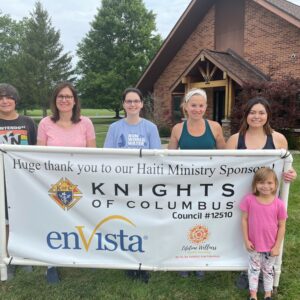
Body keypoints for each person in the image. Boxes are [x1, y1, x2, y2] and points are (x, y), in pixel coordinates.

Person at [37, 82, 96, 283]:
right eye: (60, 96)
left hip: (79, 180)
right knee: (53, 220)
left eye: (68, 96)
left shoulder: (86, 123)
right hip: (53, 181)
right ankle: (51, 263)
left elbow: (93, 155)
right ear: (55, 100)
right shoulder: (45, 123)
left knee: (79, 220)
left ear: (74, 100)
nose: (64, 100)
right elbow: (39, 155)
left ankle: (81, 254)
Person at [104, 87, 161, 283]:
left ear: (142, 104)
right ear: (123, 104)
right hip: (122, 185)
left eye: (136, 101)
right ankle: (129, 263)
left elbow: (156, 159)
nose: (132, 104)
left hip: (144, 186)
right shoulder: (114, 128)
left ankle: (143, 263)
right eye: (128, 101)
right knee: (125, 224)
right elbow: (108, 158)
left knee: (142, 225)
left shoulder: (150, 128)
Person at [168, 88, 226, 279]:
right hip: (185, 185)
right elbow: (168, 160)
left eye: (201, 105)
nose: (197, 109)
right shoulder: (178, 129)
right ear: (186, 107)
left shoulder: (215, 127)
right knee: (183, 221)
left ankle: (201, 260)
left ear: (206, 107)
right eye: (193, 105)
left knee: (204, 221)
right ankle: (182, 260)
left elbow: (225, 158)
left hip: (209, 185)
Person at [0, 83, 37, 279]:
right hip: (1, 181)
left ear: (15, 100)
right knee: (4, 219)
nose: (5, 101)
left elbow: (35, 151)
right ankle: (7, 257)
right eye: (1, 97)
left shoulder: (28, 122)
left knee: (22, 218)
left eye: (8, 97)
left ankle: (23, 254)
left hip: (23, 179)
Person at [240, 167, 287, 300]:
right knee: (254, 269)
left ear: (275, 184)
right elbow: (244, 220)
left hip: (271, 245)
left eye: (269, 183)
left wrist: (277, 246)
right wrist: (246, 240)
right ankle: (253, 295)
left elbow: (282, 226)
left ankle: (268, 294)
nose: (265, 186)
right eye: (261, 182)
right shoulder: (249, 200)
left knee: (268, 270)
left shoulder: (279, 204)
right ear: (255, 184)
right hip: (253, 244)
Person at [226, 97, 297, 182]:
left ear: (268, 115)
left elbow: (286, 166)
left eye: (261, 113)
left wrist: (291, 173)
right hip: (240, 192)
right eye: (252, 113)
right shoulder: (234, 140)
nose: (256, 116)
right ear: (246, 115)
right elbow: (226, 169)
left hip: (267, 193)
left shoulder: (279, 139)